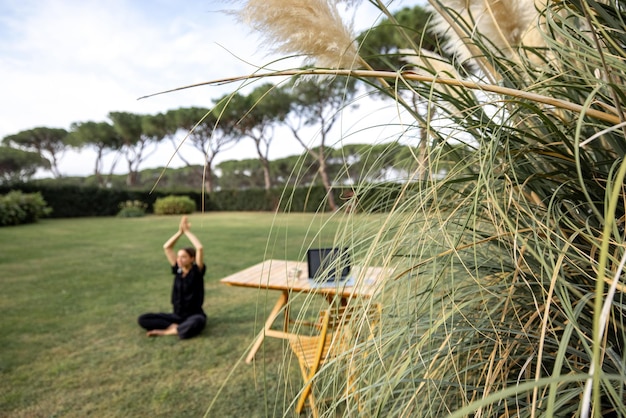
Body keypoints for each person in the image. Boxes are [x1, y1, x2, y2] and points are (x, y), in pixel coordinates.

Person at [138, 215, 207, 339]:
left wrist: (187, 232)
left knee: (198, 322)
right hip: (176, 316)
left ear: (192, 259)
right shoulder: (178, 270)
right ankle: (177, 327)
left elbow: (199, 248)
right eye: (179, 256)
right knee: (143, 319)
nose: (179, 259)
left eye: (184, 257)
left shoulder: (196, 272)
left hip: (193, 315)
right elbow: (167, 247)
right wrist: (180, 232)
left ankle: (168, 331)